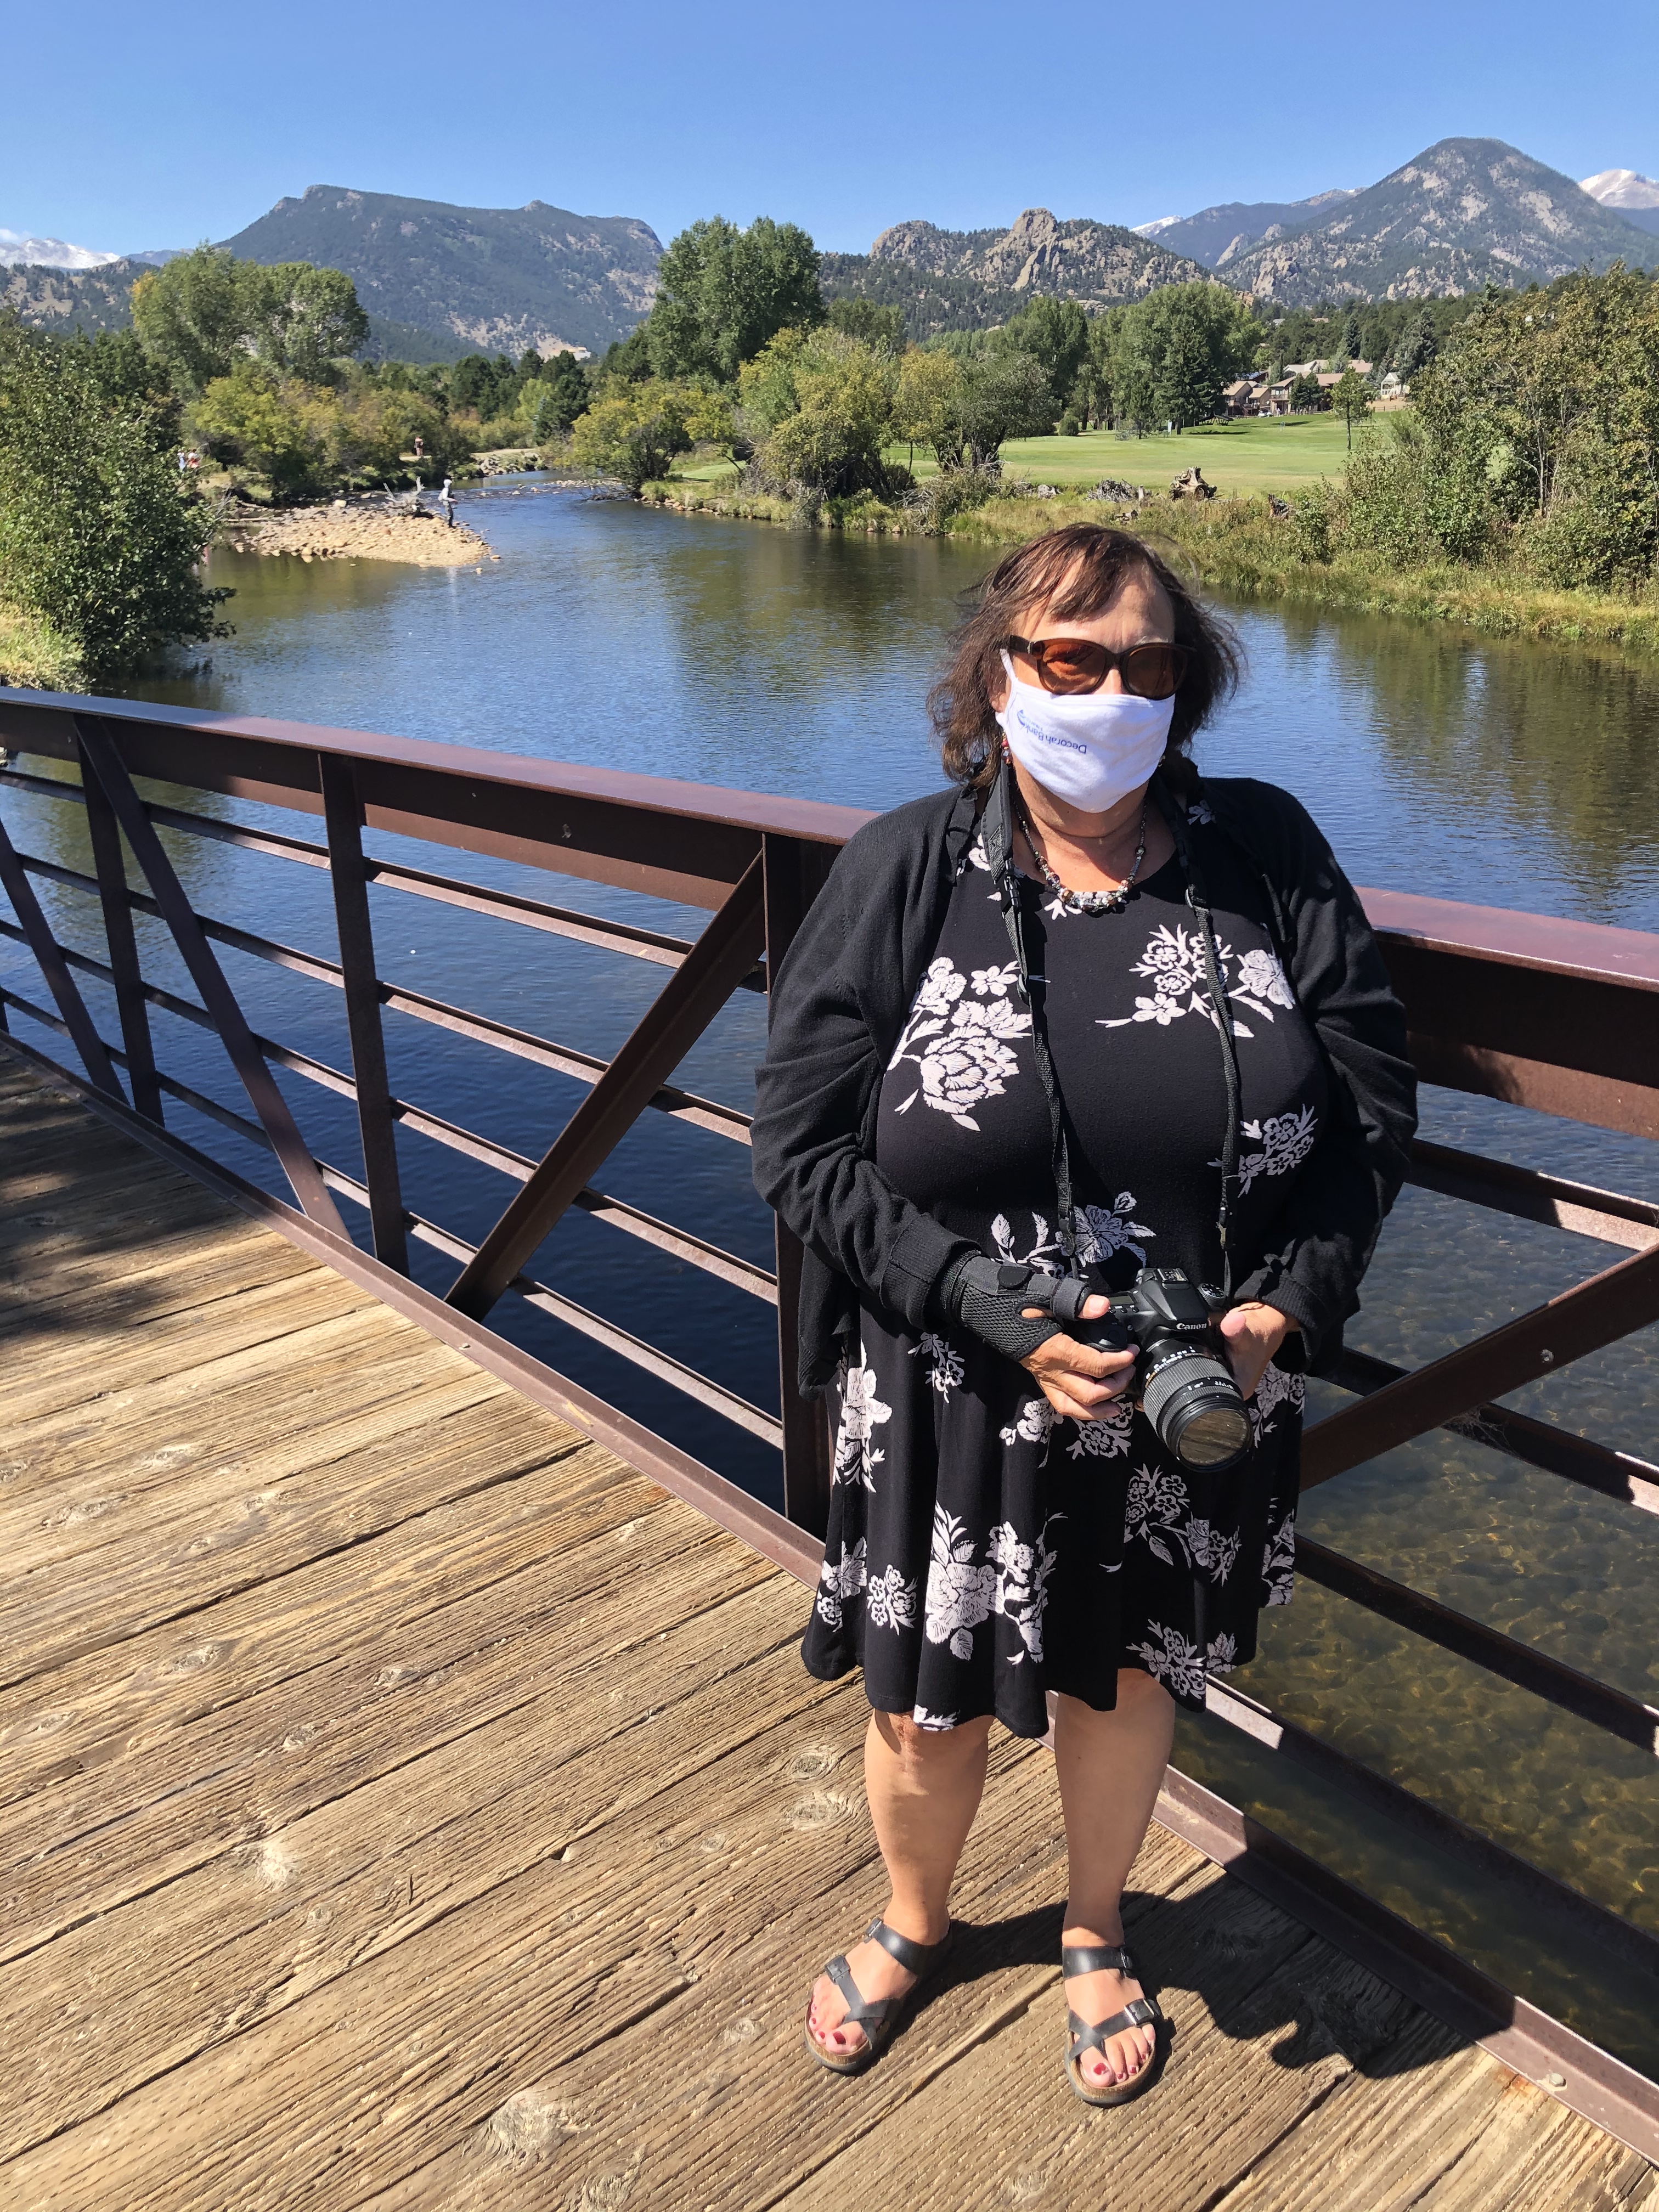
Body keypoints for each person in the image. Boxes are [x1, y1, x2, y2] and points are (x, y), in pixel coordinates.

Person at [751, 523, 1415, 2107]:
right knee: (926, 1703)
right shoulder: (907, 867)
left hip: (1194, 1387)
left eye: (1148, 665)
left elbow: (1374, 1110)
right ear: (1000, 675)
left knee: (1125, 1682)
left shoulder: (1262, 852)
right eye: (1072, 658)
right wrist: (976, 1298)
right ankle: (917, 1921)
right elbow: (798, 1145)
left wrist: (1286, 1315)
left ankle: (1097, 1926)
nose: (1113, 694)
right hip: (952, 1384)